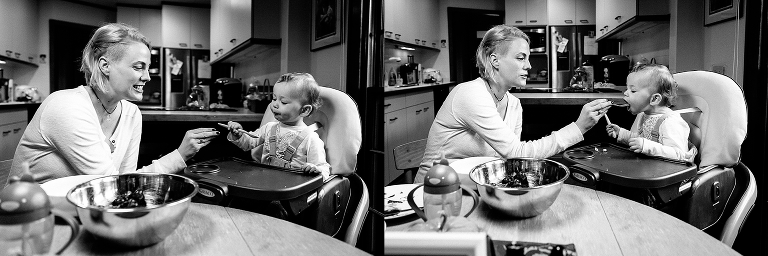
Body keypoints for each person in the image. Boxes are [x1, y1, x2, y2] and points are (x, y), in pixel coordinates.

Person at [8, 23, 218, 184]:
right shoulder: (66, 107)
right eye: (138, 67)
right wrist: (178, 156)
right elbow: (110, 185)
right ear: (105, 65)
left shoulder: (131, 113)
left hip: (84, 212)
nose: (147, 77)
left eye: (147, 68)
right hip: (29, 217)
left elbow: (125, 182)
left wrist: (180, 155)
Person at [416, 24, 612, 183]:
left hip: (477, 187)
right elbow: (516, 152)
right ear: (495, 60)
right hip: (435, 191)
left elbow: (513, 160)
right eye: (521, 58)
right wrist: (578, 128)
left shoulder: (514, 104)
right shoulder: (470, 94)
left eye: (527, 58)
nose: (529, 65)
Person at [223, 72, 331, 180]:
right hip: (266, 183)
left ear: (304, 110)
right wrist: (238, 134)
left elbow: (324, 170)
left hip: (291, 190)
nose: (274, 104)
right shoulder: (269, 128)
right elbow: (248, 143)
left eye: (283, 102)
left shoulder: (311, 138)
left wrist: (315, 169)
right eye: (274, 99)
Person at [606, 64, 697, 162]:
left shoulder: (670, 122)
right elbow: (641, 139)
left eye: (633, 90)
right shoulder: (644, 115)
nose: (625, 93)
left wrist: (646, 146)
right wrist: (621, 133)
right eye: (627, 89)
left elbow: (678, 155)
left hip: (672, 173)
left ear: (654, 99)